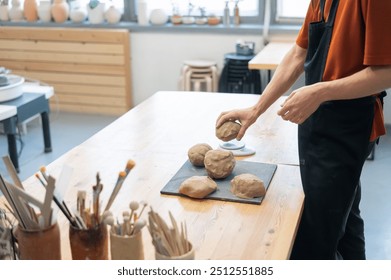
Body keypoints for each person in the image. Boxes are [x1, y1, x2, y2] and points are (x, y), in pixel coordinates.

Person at [216, 0, 391, 259]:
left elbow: (385, 72)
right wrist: (256, 109)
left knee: (316, 237)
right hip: (315, 120)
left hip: (348, 128)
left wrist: (321, 91)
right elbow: (299, 54)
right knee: (347, 217)